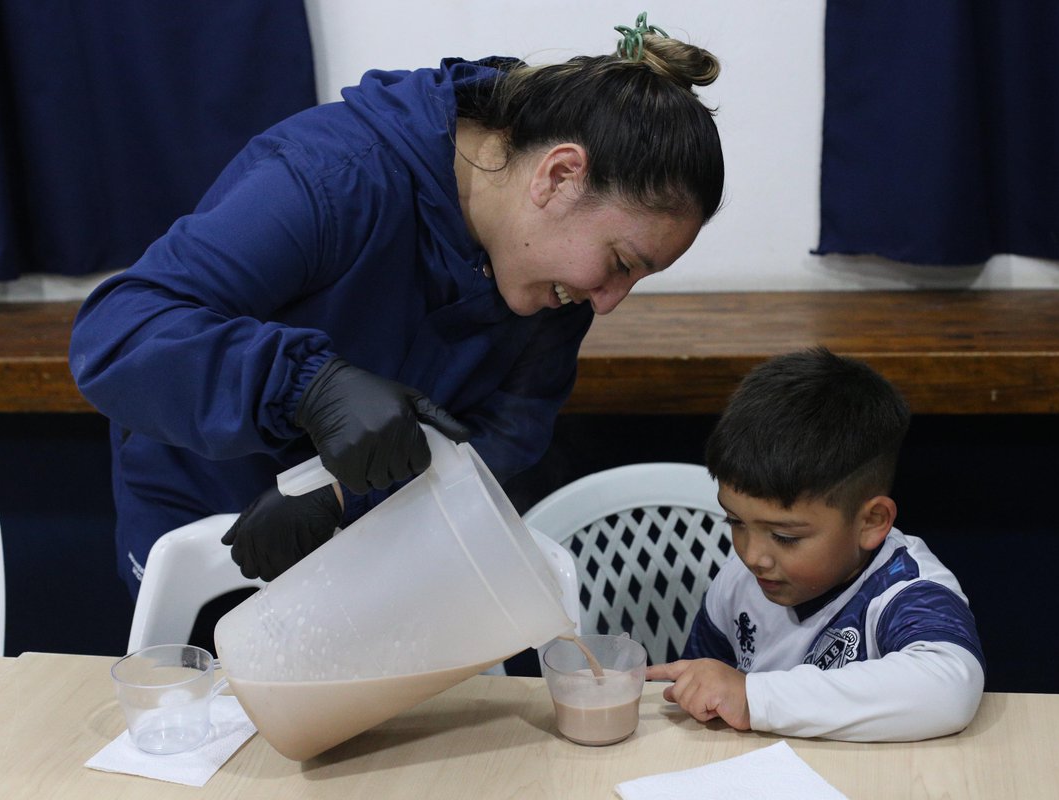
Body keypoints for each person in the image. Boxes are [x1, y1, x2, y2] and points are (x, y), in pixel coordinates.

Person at [69, 14, 724, 593]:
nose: (608, 302)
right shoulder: (332, 177)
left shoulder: (552, 285)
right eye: (620, 263)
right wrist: (308, 386)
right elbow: (118, 334)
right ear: (558, 176)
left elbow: (505, 432)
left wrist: (339, 492)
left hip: (370, 545)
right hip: (210, 511)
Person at [646, 348, 985, 741]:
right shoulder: (739, 581)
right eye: (735, 521)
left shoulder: (904, 589)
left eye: (785, 537)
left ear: (871, 522)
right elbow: (704, 692)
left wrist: (753, 697)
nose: (752, 556)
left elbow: (948, 690)